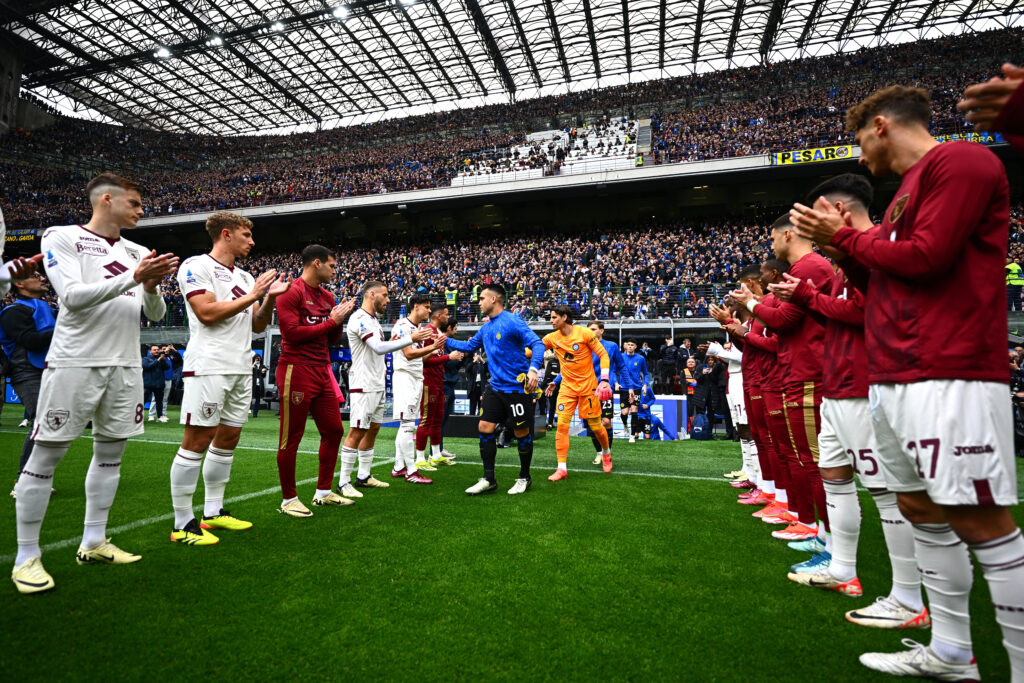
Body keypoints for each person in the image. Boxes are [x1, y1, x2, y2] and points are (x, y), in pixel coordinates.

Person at [792, 85, 1023, 681]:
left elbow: (928, 257)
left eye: (859, 138)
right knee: (919, 506)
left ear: (881, 125)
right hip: (895, 374)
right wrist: (849, 251)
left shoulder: (960, 161)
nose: (859, 154)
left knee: (981, 521)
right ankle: (950, 652)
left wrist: (844, 241)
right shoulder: (903, 196)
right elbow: (883, 282)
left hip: (949, 368)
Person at [774, 174, 926, 632]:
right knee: (835, 475)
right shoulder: (843, 263)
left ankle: (907, 596)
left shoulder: (875, 248)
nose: (809, 228)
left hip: (862, 383)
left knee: (884, 490)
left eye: (814, 215)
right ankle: (843, 569)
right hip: (838, 383)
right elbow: (846, 312)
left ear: (837, 211)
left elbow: (866, 312)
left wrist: (806, 296)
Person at [12, 173, 176, 594]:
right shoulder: (62, 236)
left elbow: (155, 315)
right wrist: (135, 276)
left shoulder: (136, 251)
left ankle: (94, 541)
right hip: (75, 362)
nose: (141, 210)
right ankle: (26, 557)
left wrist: (151, 286)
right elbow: (72, 297)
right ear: (106, 200)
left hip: (125, 365)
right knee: (46, 457)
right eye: (134, 203)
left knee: (110, 457)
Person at [169, 211, 289, 544]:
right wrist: (253, 295)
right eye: (246, 235)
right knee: (197, 440)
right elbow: (206, 313)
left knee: (229, 438)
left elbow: (257, 326)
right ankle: (182, 523)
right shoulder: (196, 266)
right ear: (226, 234)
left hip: (240, 365)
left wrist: (268, 298)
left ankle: (213, 512)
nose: (252, 241)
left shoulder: (247, 277)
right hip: (209, 364)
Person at [731, 216, 833, 545]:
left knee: (809, 459)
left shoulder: (810, 267)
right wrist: (740, 327)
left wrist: (748, 310)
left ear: (787, 234)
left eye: (773, 238)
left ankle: (818, 530)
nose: (771, 245)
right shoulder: (798, 275)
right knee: (789, 452)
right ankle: (801, 516)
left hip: (801, 375)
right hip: (784, 376)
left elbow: (782, 327)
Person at [274, 245, 356, 517]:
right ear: (316, 264)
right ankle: (289, 499)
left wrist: (339, 320)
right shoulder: (291, 291)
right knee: (291, 437)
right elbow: (292, 333)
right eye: (332, 266)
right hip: (296, 368)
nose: (335, 271)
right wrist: (331, 321)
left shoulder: (327, 296)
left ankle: (323, 492)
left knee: (334, 430)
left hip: (322, 369)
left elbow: (332, 339)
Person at [446, 284, 544, 496]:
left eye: (482, 298)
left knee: (521, 432)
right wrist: (443, 339)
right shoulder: (486, 327)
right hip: (495, 387)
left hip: (517, 389)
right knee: (484, 427)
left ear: (494, 299)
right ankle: (489, 479)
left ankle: (524, 477)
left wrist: (533, 370)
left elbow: (538, 344)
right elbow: (468, 347)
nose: (478, 302)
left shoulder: (512, 321)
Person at [340, 280, 432, 494]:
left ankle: (364, 476)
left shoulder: (373, 320)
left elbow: (381, 347)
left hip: (377, 382)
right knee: (357, 430)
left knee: (373, 428)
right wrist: (409, 339)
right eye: (385, 294)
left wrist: (395, 340)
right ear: (372, 294)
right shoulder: (359, 318)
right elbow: (379, 347)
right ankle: (344, 482)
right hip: (363, 383)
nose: (388, 299)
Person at [541, 305, 612, 480]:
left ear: (564, 317)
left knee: (596, 427)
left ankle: (606, 452)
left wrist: (604, 380)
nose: (551, 321)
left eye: (554, 317)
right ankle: (561, 468)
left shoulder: (584, 333)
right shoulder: (551, 338)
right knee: (562, 427)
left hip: (589, 388)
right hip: (567, 388)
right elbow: (532, 351)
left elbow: (603, 355)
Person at [1, 272, 54, 492]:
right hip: (27, 372)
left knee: (50, 424)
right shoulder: (12, 312)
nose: (42, 279)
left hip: (49, 369)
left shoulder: (45, 308)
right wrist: (64, 328)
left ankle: (38, 477)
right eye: (35, 276)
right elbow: (30, 341)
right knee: (42, 421)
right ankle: (24, 480)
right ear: (20, 284)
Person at [388, 295, 447, 482]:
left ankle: (399, 467)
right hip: (405, 376)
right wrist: (432, 347)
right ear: (415, 306)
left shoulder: (417, 328)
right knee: (407, 424)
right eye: (426, 307)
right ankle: (412, 471)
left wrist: (433, 349)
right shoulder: (403, 326)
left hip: (415, 376)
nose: (429, 310)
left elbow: (419, 358)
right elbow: (408, 354)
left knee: (406, 424)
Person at [414, 304, 462, 469]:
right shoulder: (428, 332)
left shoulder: (438, 333)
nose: (448, 317)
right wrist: (449, 357)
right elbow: (424, 360)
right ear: (438, 315)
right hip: (429, 382)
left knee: (437, 420)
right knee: (426, 420)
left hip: (439, 381)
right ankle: (420, 458)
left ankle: (435, 455)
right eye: (446, 314)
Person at [586, 320, 625, 464]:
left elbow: (621, 366)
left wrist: (629, 387)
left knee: (606, 422)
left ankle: (606, 453)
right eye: (589, 329)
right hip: (587, 390)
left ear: (601, 330)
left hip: (604, 389)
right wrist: (557, 381)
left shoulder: (611, 346)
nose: (590, 332)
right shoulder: (584, 346)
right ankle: (599, 453)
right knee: (593, 424)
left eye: (594, 329)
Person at [439, 317, 464, 460]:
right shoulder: (441, 342)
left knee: (444, 419)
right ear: (449, 327)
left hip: (449, 384)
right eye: (455, 328)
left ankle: (439, 448)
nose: (456, 331)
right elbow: (442, 362)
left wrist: (461, 357)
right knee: (439, 419)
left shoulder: (451, 343)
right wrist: (454, 358)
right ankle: (435, 451)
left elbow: (454, 364)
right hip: (443, 384)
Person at [618, 339, 650, 443]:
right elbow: (613, 370)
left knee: (634, 409)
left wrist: (645, 384)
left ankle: (632, 435)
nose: (630, 346)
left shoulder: (640, 358)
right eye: (628, 344)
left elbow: (646, 373)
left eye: (632, 345)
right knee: (624, 412)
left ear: (635, 347)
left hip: (636, 388)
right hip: (624, 388)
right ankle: (625, 425)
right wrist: (616, 383)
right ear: (626, 346)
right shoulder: (621, 357)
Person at [148, 345, 178, 421]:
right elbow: (158, 356)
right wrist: (163, 352)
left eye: (167, 349)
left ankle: (163, 414)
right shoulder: (157, 357)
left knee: (165, 399)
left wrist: (173, 350)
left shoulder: (169, 357)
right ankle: (151, 415)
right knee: (155, 398)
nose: (166, 350)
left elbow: (179, 359)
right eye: (163, 349)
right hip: (159, 380)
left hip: (169, 380)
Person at [142, 345, 170, 422]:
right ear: (150, 351)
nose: (156, 351)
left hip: (159, 384)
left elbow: (167, 367)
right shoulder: (145, 359)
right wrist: (158, 360)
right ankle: (138, 416)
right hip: (148, 384)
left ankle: (160, 417)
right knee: (143, 400)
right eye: (154, 350)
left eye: (157, 350)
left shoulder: (162, 359)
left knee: (159, 402)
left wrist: (162, 359)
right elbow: (146, 366)